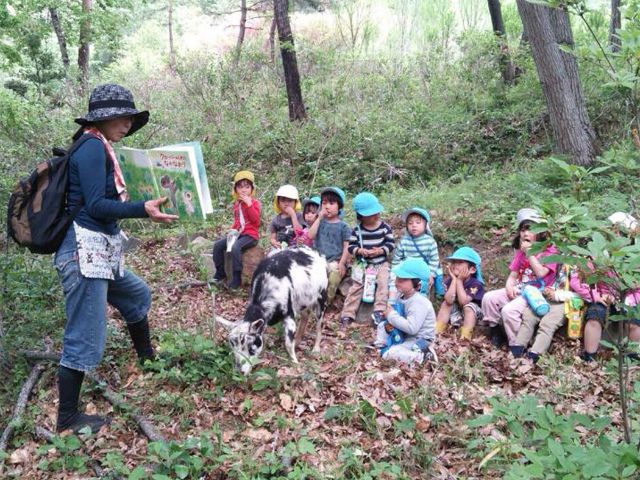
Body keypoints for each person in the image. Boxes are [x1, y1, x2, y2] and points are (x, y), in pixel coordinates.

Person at [55, 84, 178, 433]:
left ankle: (147, 358)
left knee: (136, 295)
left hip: (100, 249)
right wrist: (142, 209)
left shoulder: (101, 147)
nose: (127, 124)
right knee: (86, 334)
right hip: (82, 252)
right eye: (122, 118)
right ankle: (67, 419)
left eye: (130, 118)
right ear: (103, 119)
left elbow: (102, 201)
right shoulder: (92, 148)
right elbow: (94, 205)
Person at [481, 208, 558, 354]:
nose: (526, 233)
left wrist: (529, 253)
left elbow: (541, 273)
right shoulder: (520, 252)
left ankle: (517, 343)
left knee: (509, 311)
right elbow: (513, 275)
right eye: (523, 230)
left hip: (537, 293)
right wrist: (509, 286)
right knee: (488, 298)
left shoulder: (549, 251)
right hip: (520, 288)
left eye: (531, 230)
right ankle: (495, 331)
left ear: (541, 233)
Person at [575, 212, 640, 362]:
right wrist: (597, 296)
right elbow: (578, 279)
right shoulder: (599, 255)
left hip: (630, 300)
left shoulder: (635, 258)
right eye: (612, 230)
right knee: (595, 316)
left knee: (634, 322)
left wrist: (627, 300)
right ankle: (589, 357)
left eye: (619, 231)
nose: (616, 235)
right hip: (605, 297)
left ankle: (631, 359)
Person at [340, 192, 394, 327]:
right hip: (362, 264)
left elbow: (391, 244)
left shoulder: (384, 228)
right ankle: (348, 314)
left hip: (380, 263)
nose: (375, 215)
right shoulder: (357, 230)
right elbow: (351, 247)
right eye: (371, 214)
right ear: (361, 216)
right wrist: (360, 251)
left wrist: (380, 251)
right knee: (357, 285)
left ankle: (379, 311)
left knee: (383, 282)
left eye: (376, 212)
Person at [372, 259, 437, 365]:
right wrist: (387, 319)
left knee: (391, 353)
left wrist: (391, 315)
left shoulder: (419, 301)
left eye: (402, 280)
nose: (397, 282)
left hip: (419, 339)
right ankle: (381, 346)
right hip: (405, 334)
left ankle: (423, 357)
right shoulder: (400, 295)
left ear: (418, 284)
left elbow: (412, 328)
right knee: (382, 325)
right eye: (397, 278)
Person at [513, 265, 577, 361]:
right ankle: (517, 350)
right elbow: (555, 280)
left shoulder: (587, 266)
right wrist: (548, 289)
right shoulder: (563, 258)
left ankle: (535, 354)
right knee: (529, 317)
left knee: (547, 324)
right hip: (549, 295)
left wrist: (557, 295)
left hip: (566, 301)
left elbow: (584, 294)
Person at [211, 170, 261, 289]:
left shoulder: (254, 203)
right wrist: (232, 230)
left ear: (252, 189)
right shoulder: (237, 204)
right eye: (240, 187)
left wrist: (249, 205)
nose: (244, 190)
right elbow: (237, 221)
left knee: (235, 247)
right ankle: (220, 272)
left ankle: (237, 277)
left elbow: (256, 221)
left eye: (247, 187)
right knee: (218, 245)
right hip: (239, 234)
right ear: (235, 189)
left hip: (250, 236)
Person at [308, 187, 351, 302]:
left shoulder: (343, 226)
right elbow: (310, 236)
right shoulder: (319, 223)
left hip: (335, 261)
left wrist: (342, 263)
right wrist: (318, 218)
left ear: (339, 206)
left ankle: (326, 302)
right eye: (324, 203)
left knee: (334, 275)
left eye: (332, 203)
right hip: (318, 259)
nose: (327, 206)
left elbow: (347, 247)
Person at [435, 247, 485, 340]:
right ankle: (437, 332)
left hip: (474, 314)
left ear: (472, 270)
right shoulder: (450, 281)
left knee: (468, 308)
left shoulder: (476, 284)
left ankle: (465, 338)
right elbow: (449, 300)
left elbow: (464, 302)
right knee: (446, 304)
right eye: (454, 262)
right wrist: (454, 280)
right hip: (457, 312)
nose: (455, 265)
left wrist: (459, 281)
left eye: (460, 262)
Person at [390, 207, 440, 300]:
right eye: (410, 223)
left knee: (422, 292)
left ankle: (422, 307)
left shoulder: (430, 242)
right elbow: (396, 260)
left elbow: (434, 260)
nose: (414, 225)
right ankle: (394, 304)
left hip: (422, 273)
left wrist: (430, 274)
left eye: (418, 222)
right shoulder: (404, 241)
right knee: (395, 287)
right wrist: (395, 274)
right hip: (405, 272)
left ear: (425, 225)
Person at [268, 184, 303, 255]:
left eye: (290, 201)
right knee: (270, 256)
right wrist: (274, 242)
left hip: (295, 247)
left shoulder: (299, 215)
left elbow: (300, 233)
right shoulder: (276, 219)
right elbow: (272, 237)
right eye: (283, 200)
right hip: (280, 248)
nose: (286, 204)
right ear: (278, 202)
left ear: (295, 202)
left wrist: (293, 215)